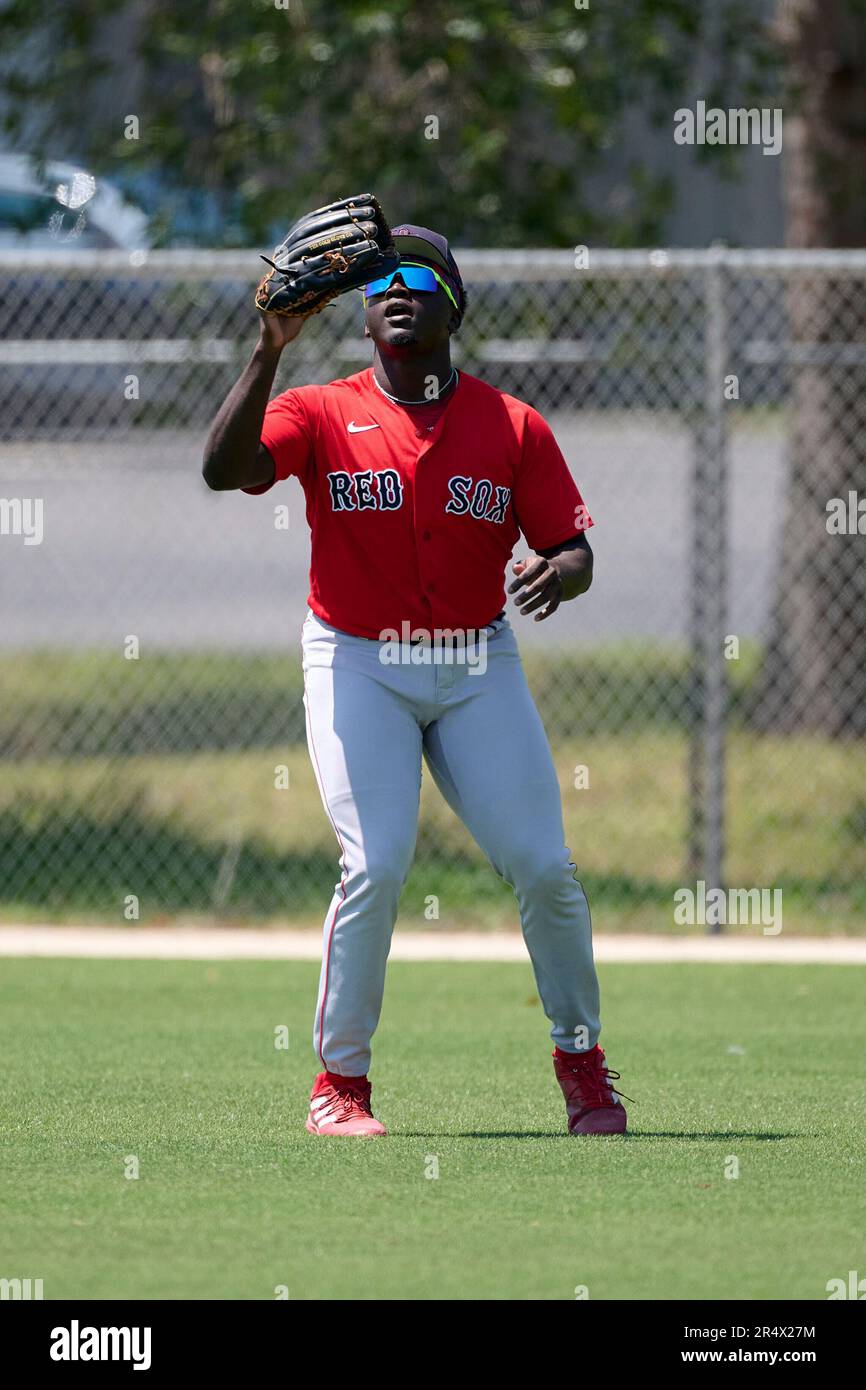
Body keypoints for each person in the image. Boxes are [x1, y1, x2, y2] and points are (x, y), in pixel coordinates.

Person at [203, 220, 629, 1138]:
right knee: (377, 862)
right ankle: (340, 1086)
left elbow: (574, 546)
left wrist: (561, 570)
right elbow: (222, 470)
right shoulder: (319, 409)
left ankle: (582, 1062)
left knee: (546, 867)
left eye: (419, 276)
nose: (397, 289)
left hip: (475, 663)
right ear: (361, 311)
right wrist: (268, 349)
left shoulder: (513, 424)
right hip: (357, 659)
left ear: (454, 302)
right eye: (381, 279)